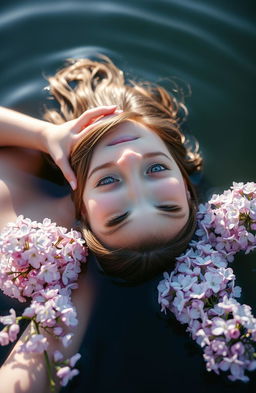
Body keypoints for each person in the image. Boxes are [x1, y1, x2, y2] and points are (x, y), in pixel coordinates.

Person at [0, 55, 202, 392]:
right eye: (155, 171)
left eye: (110, 184)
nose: (130, 158)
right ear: (185, 182)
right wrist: (43, 134)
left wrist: (42, 136)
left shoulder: (74, 284)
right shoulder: (30, 154)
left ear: (86, 221)